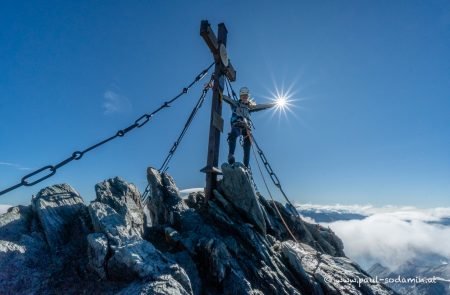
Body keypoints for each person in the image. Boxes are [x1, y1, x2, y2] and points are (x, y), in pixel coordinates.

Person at [223, 86, 275, 167]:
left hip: (246, 127)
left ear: (247, 97)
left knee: (247, 145)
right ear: (240, 97)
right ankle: (231, 155)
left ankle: (246, 166)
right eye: (243, 96)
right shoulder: (236, 103)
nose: (244, 97)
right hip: (237, 124)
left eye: (246, 96)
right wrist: (215, 88)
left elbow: (261, 106)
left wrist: (273, 104)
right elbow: (227, 98)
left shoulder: (249, 107)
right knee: (233, 135)